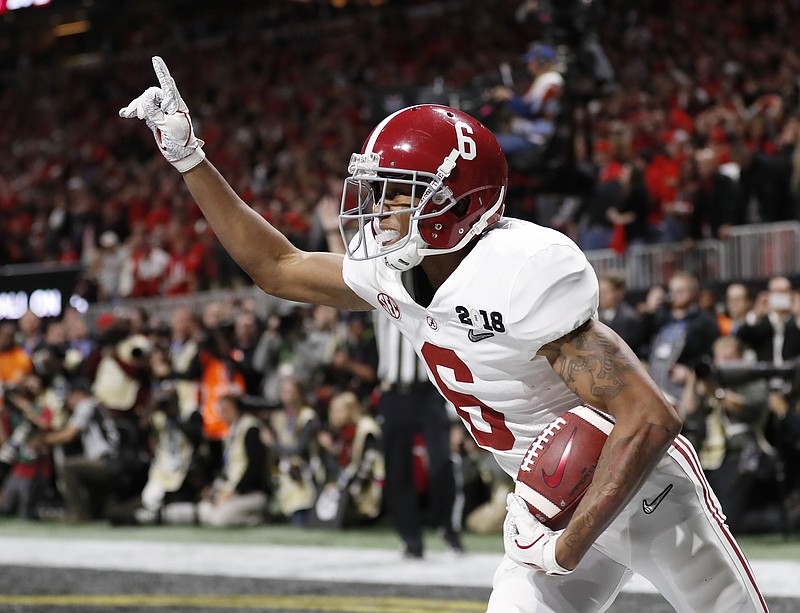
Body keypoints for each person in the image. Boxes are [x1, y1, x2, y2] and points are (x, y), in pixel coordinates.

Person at [120, 58, 767, 612]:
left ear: (456, 201)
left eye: (397, 194)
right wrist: (189, 157)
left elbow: (651, 417)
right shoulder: (394, 273)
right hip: (546, 501)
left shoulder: (518, 274)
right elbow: (278, 266)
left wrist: (563, 545)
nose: (377, 209)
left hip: (648, 494)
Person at [373, 312, 464, 558]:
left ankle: (446, 524)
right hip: (393, 394)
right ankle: (411, 539)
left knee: (441, 462)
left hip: (429, 393)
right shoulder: (377, 286)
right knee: (398, 470)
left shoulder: (424, 288)